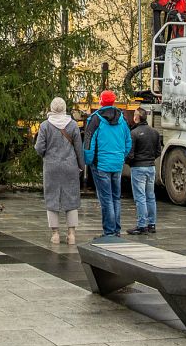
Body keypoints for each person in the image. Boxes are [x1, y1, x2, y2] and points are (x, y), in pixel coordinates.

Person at [34, 97, 84, 245]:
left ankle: (55, 234)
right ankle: (71, 234)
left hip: (51, 167)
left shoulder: (45, 126)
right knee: (72, 199)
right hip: (70, 166)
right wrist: (81, 165)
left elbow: (39, 147)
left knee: (52, 198)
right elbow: (78, 149)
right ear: (64, 108)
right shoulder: (73, 125)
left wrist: (46, 155)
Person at [83, 90, 132, 237]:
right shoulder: (122, 120)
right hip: (116, 163)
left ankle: (109, 231)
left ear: (101, 101)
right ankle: (116, 230)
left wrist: (88, 161)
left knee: (106, 198)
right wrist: (121, 157)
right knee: (116, 197)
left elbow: (88, 143)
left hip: (101, 164)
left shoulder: (95, 119)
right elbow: (128, 141)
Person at [126, 108, 163, 235]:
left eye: (134, 115)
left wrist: (130, 163)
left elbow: (130, 154)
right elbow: (158, 151)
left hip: (138, 167)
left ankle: (142, 225)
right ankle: (152, 224)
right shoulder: (155, 132)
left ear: (137, 118)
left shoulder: (134, 133)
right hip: (151, 167)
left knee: (140, 197)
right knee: (150, 196)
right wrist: (151, 159)